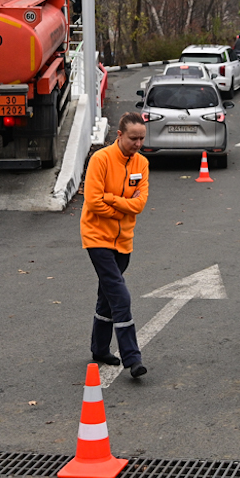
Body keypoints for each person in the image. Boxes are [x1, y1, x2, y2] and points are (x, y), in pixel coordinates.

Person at [80, 112, 150, 378]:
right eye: (133, 138)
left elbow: (140, 204)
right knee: (120, 296)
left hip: (124, 240)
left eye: (142, 138)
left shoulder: (141, 164)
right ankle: (133, 358)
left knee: (107, 296)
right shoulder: (101, 159)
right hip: (97, 238)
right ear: (119, 135)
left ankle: (99, 349)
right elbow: (94, 201)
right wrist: (124, 208)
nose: (138, 143)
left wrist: (115, 202)